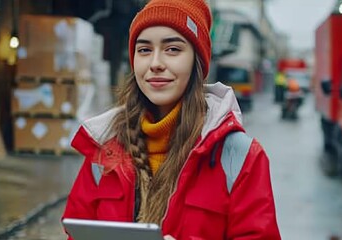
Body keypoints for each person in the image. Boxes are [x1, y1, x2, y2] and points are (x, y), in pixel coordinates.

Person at [62, 0, 281, 239]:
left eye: (173, 49)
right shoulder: (103, 149)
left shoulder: (240, 157)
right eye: (144, 50)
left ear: (196, 62)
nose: (155, 63)